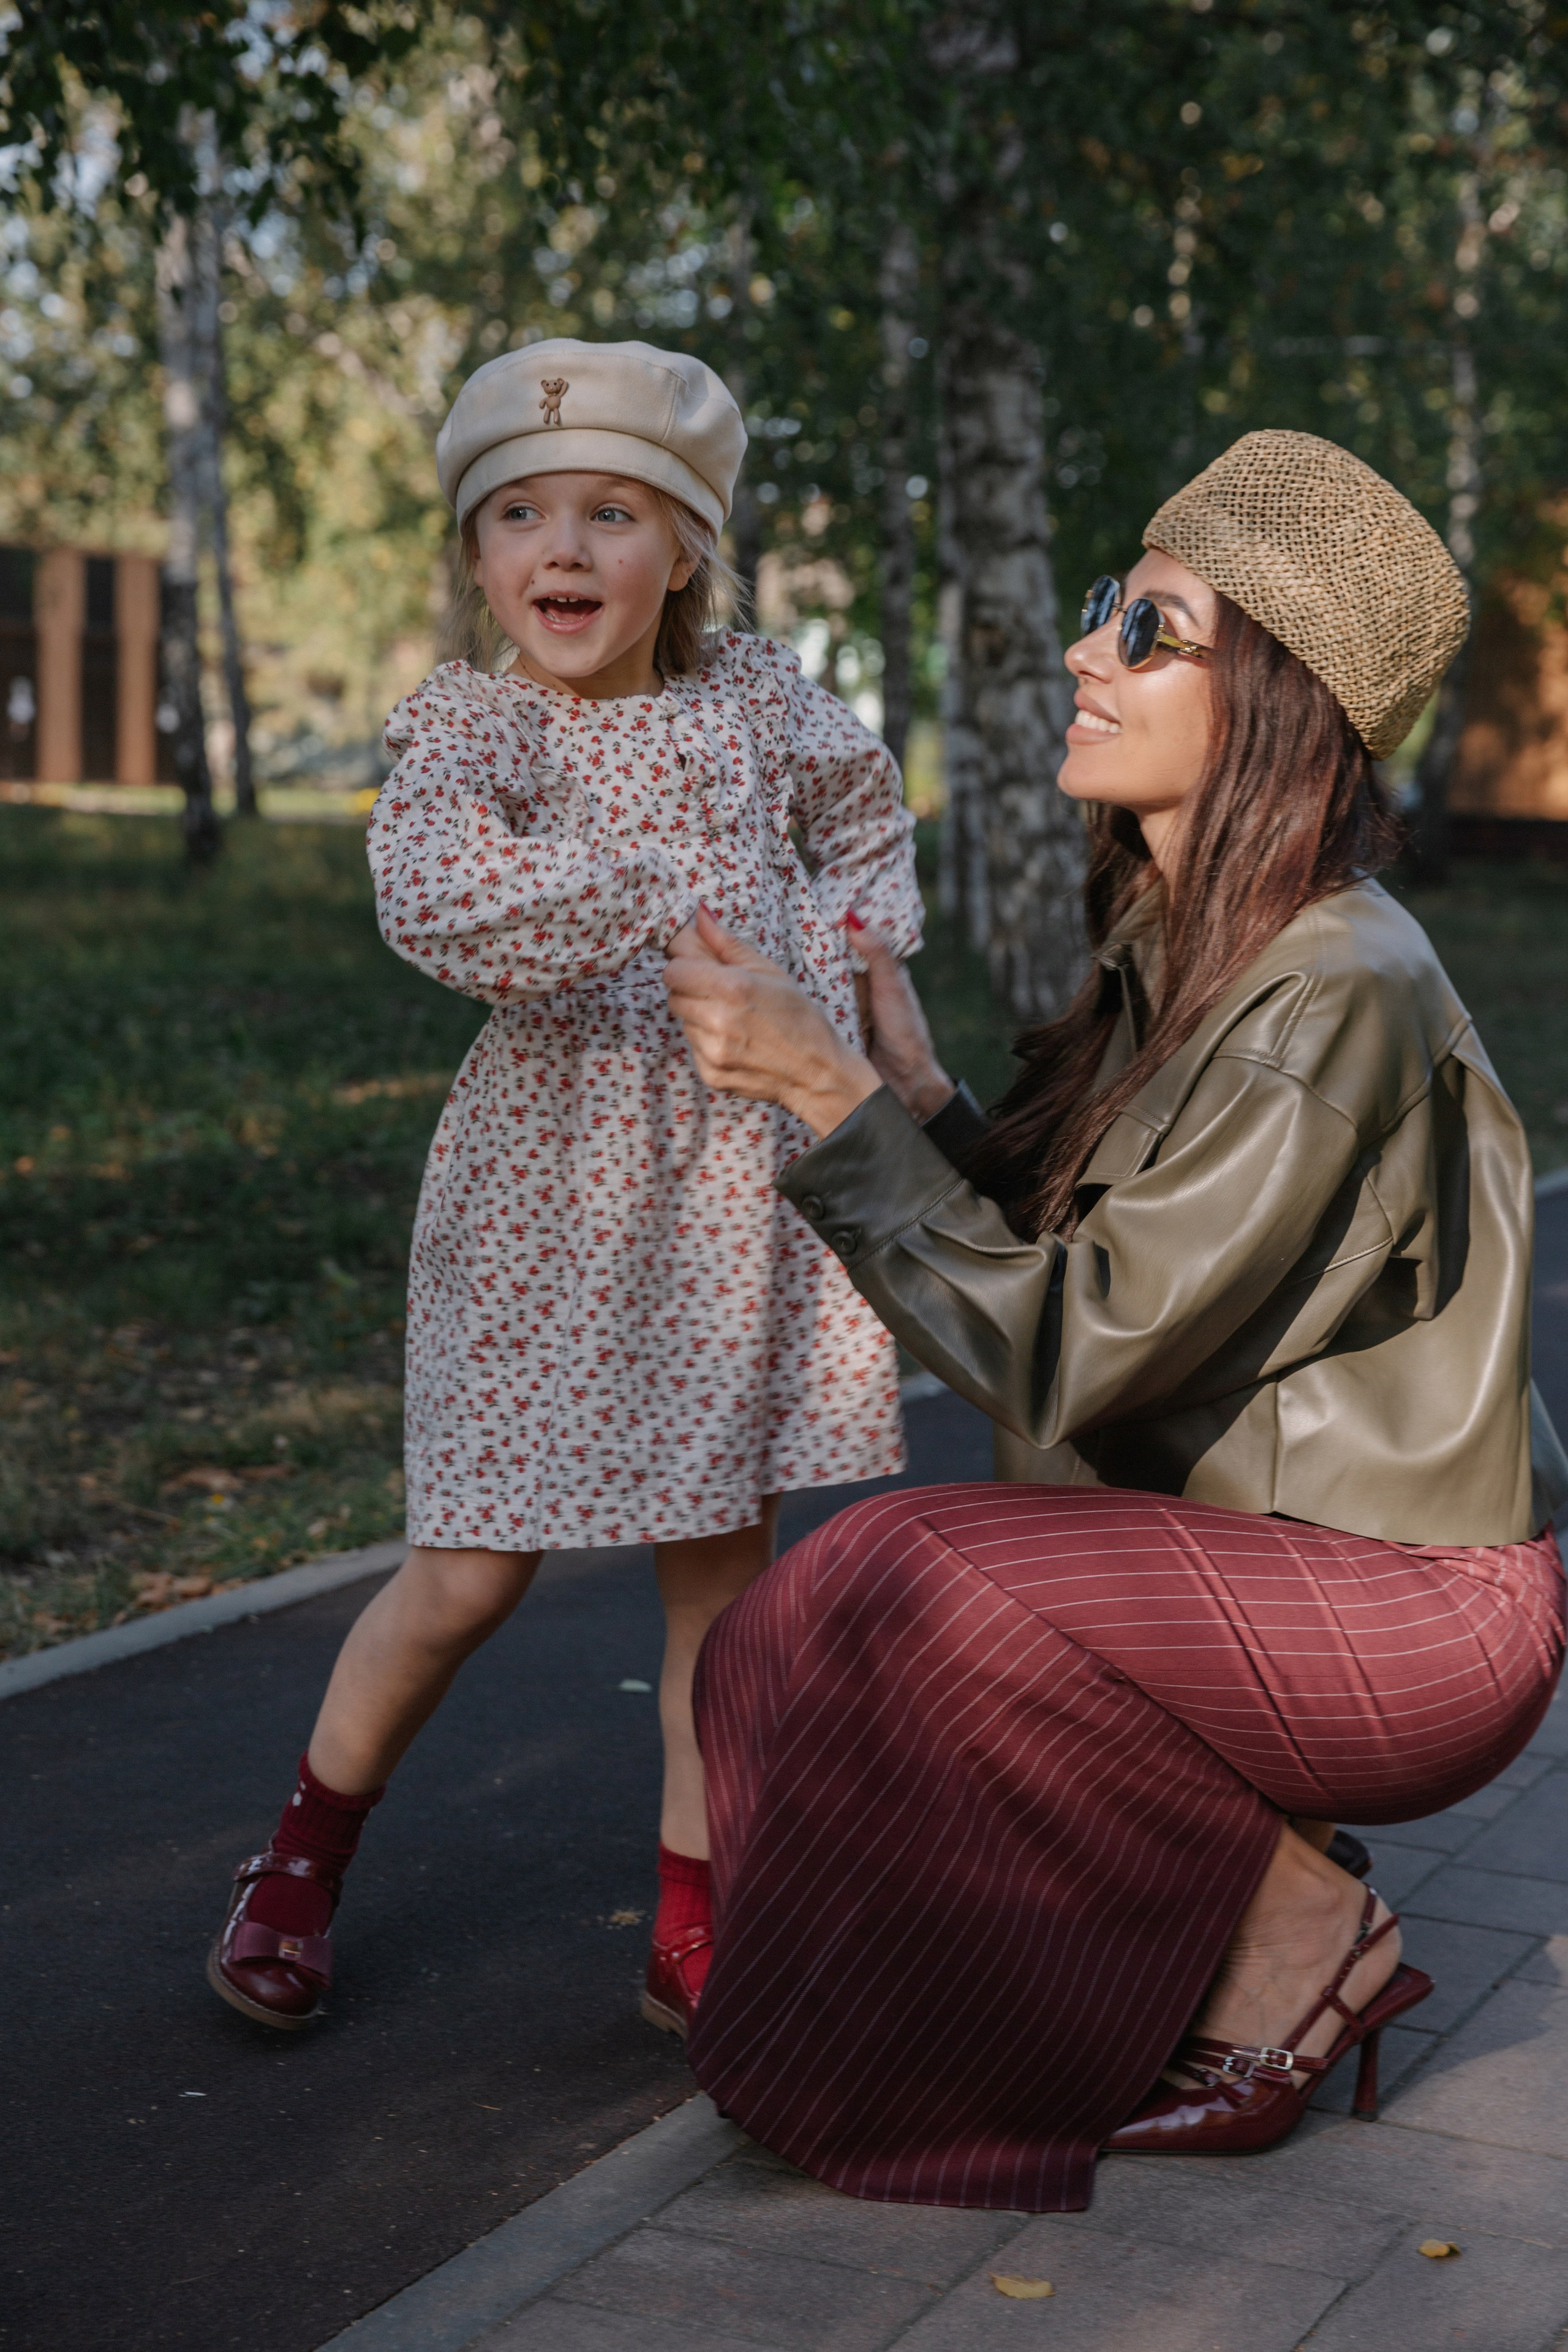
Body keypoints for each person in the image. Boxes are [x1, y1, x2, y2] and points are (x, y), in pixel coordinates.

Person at [662, 430, 1568, 2214]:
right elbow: (1123, 1275)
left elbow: (1065, 1346)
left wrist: (831, 1102)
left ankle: (1293, 1935)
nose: (1086, 653)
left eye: (1147, 626)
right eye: (1099, 610)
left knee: (896, 1582)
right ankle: (1212, 1933)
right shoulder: (1202, 943)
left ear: (1278, 701)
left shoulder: (1340, 990)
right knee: (775, 1642)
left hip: (1411, 1612)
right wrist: (918, 1099)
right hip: (1269, 1567)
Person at [206, 338, 922, 2036]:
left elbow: (865, 819)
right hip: (548, 1200)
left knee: (717, 1591)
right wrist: (651, 890)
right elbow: (436, 887)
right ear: (476, 559)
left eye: (613, 513)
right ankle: (299, 1857)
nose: (565, 551)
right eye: (520, 515)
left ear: (684, 548)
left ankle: (692, 1918)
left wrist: (844, 953)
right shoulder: (479, 728)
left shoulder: (760, 700)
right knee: (467, 1571)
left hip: (734, 1203)